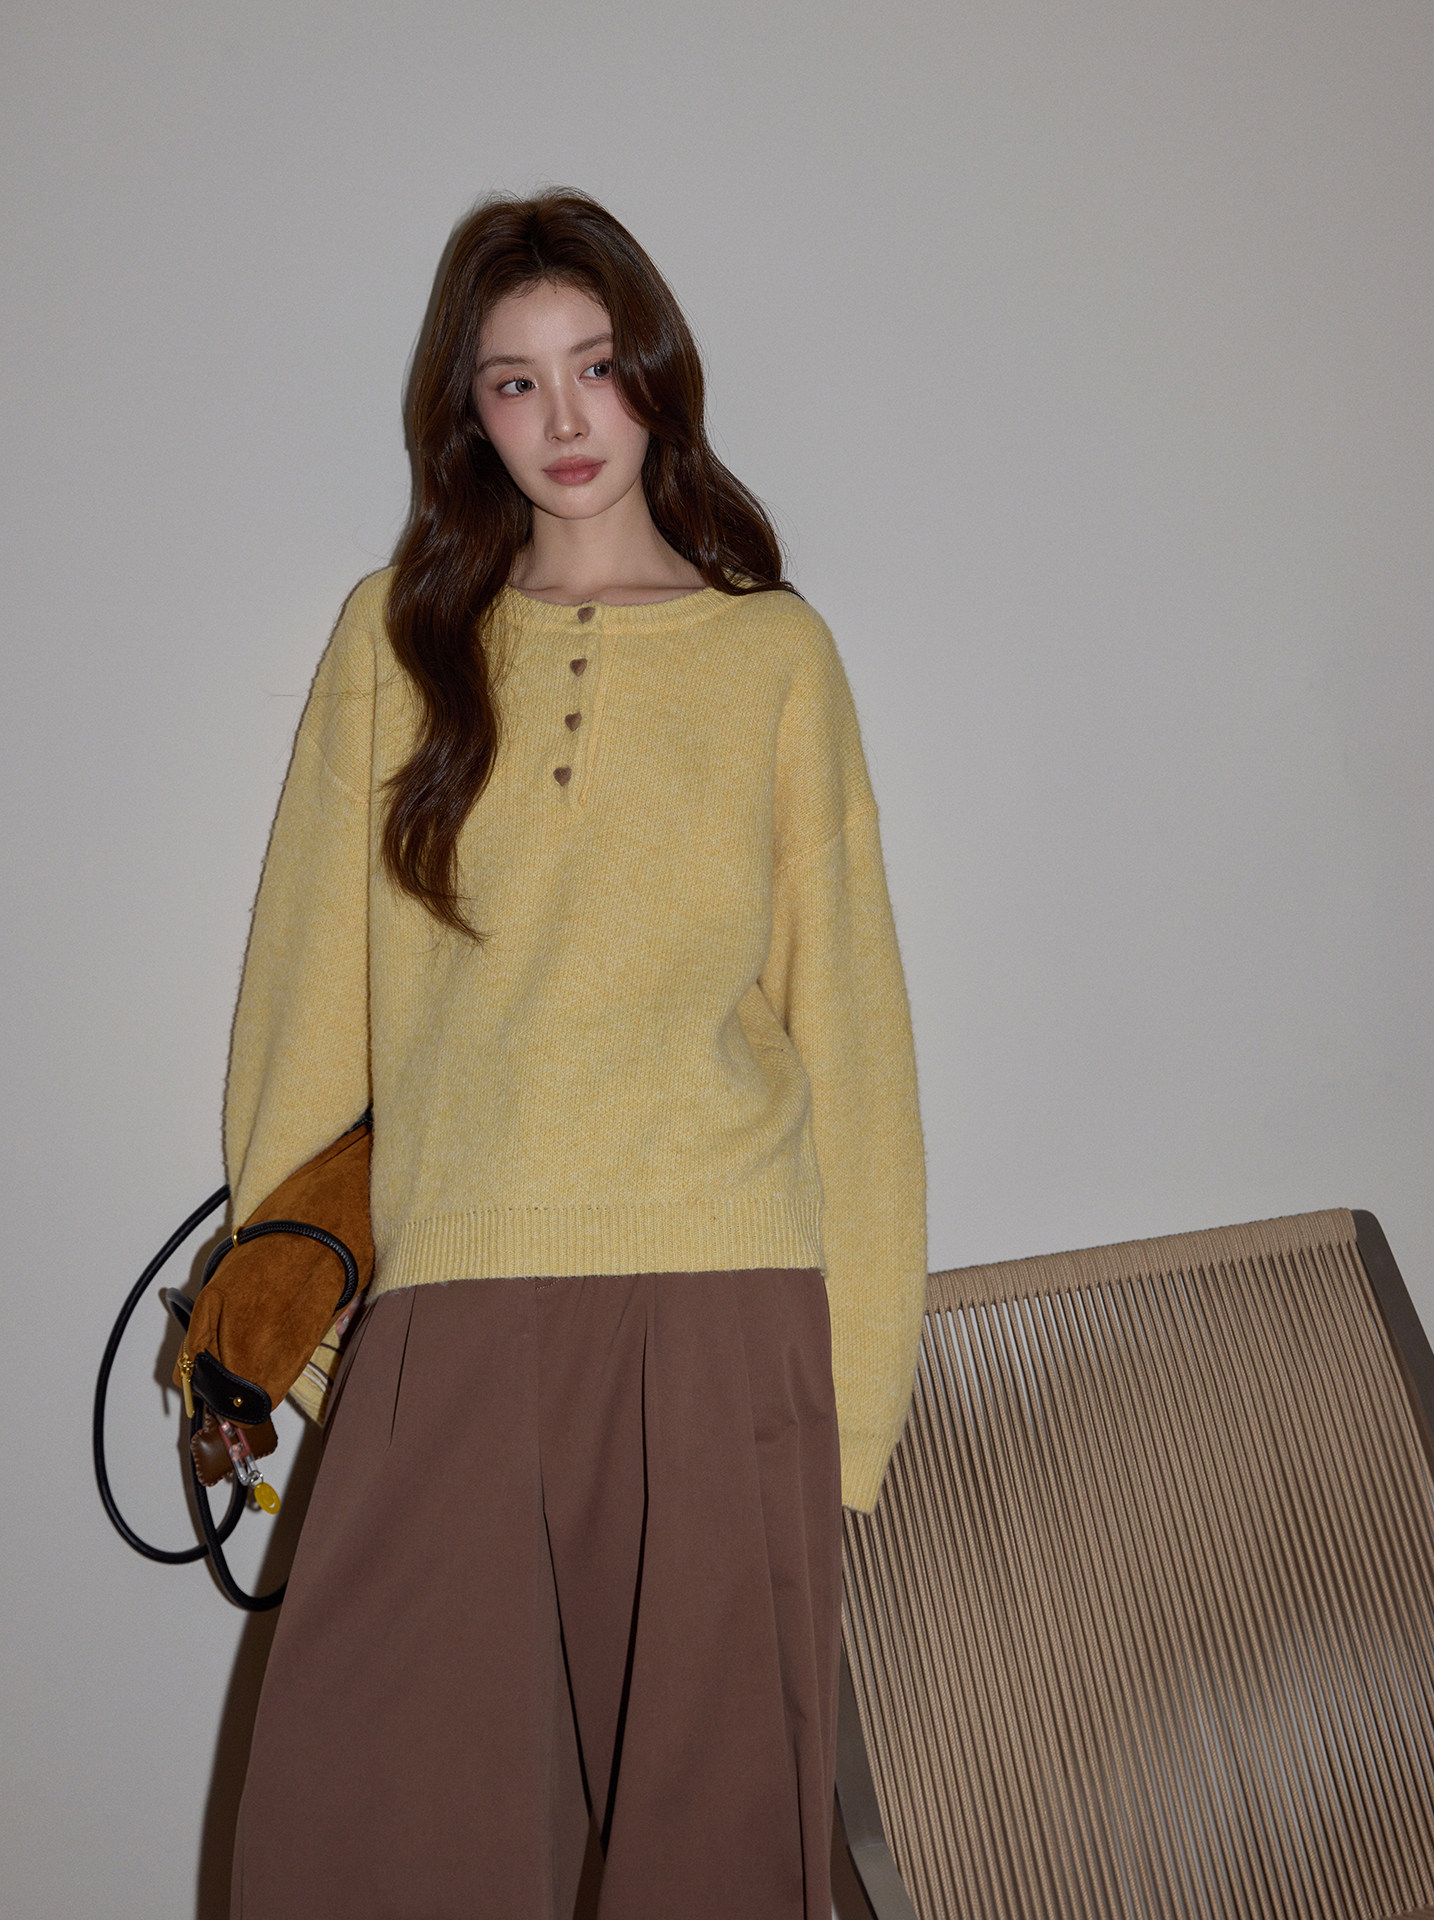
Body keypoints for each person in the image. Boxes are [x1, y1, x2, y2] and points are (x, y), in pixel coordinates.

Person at [224, 188, 926, 1920]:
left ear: (657, 375)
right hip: (453, 1296)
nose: (562, 419)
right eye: (514, 381)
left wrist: (853, 1399)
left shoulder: (775, 653)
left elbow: (850, 1023)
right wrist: (277, 1303)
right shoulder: (395, 640)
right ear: (466, 412)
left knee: (718, 1861)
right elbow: (309, 992)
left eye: (595, 367)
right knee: (367, 1843)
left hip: (723, 1302)